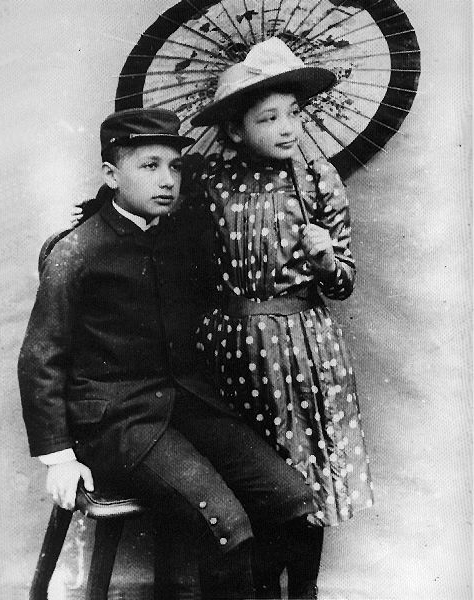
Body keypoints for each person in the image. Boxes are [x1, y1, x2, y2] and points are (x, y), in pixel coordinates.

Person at [18, 107, 326, 600]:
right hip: (117, 424)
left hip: (185, 405)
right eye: (150, 166)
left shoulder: (180, 236)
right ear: (111, 175)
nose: (167, 180)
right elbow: (41, 358)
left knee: (297, 505)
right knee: (226, 527)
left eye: (175, 167)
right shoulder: (78, 251)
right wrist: (59, 458)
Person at [182, 37, 374, 598]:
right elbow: (191, 270)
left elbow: (343, 284)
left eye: (293, 113)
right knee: (254, 477)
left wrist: (326, 258)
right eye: (268, 118)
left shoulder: (317, 180)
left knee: (307, 474)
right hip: (232, 349)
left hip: (303, 350)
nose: (287, 128)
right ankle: (262, 591)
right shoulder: (209, 185)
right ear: (234, 130)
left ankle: (304, 590)